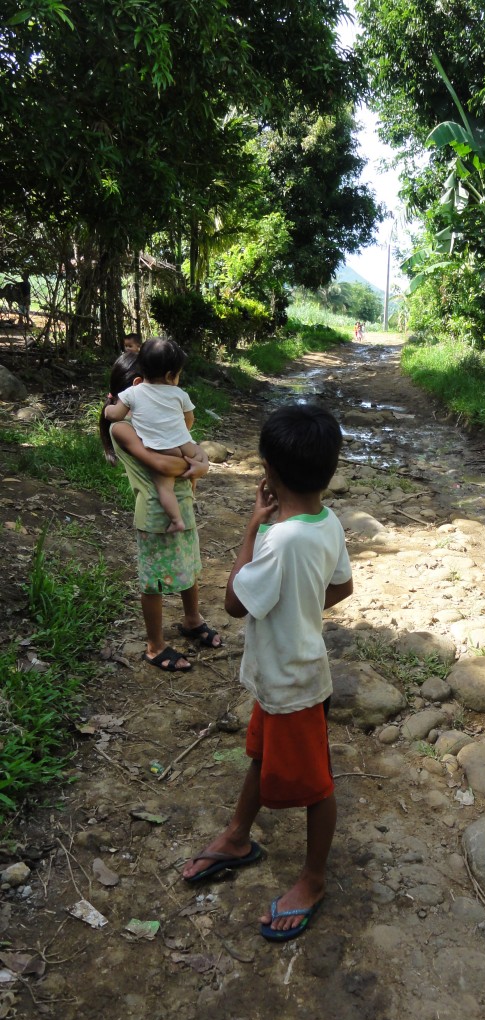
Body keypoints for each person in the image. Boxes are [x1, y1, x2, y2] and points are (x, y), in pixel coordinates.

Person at [182, 403, 353, 943]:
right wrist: (299, 609)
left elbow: (234, 603)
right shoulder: (327, 521)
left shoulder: (279, 539)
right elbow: (343, 586)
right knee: (260, 754)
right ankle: (237, 835)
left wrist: (253, 526)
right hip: (291, 674)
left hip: (292, 683)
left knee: (316, 785)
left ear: (269, 473)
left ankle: (314, 880)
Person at [101, 353, 222, 672]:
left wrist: (202, 463)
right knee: (153, 582)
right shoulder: (122, 428)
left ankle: (192, 619)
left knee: (189, 567)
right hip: (155, 515)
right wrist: (198, 465)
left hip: (182, 507)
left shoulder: (161, 424)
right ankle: (154, 645)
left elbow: (191, 448)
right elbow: (162, 464)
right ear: (138, 387)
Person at [105, 335, 198, 534]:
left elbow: (114, 414)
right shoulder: (123, 429)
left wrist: (108, 410)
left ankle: (177, 520)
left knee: (165, 487)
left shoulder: (133, 395)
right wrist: (196, 462)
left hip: (181, 513)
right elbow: (188, 420)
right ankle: (178, 515)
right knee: (173, 477)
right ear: (170, 375)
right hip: (155, 521)